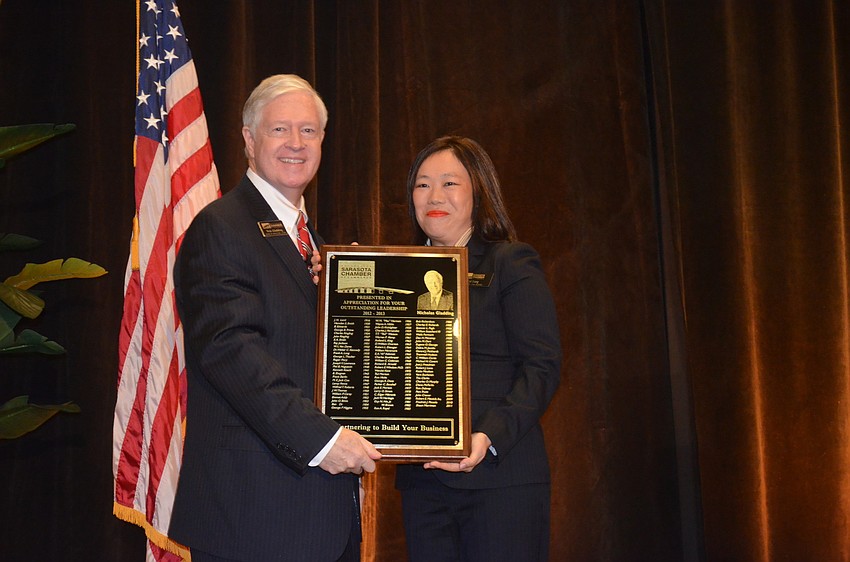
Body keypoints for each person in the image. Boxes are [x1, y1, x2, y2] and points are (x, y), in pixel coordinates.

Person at [168, 74, 381, 562]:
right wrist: (324, 440)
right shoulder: (221, 228)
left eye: (308, 131)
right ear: (248, 139)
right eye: (280, 129)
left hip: (324, 515)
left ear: (323, 142)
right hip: (255, 518)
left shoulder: (317, 248)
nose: (295, 144)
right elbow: (231, 352)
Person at [395, 136, 562, 562]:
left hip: (499, 479)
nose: (434, 196)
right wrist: (339, 287)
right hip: (423, 487)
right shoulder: (395, 275)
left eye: (450, 183)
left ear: (478, 192)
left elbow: (541, 368)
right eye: (422, 184)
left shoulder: (510, 262)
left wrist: (486, 437)